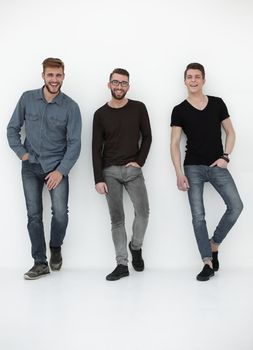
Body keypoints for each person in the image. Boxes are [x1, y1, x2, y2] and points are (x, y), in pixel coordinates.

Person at [7, 57, 82, 280]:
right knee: (33, 215)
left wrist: (61, 171)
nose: (54, 79)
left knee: (60, 214)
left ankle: (55, 247)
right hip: (30, 167)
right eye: (50, 75)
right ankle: (40, 262)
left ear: (63, 76)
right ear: (43, 76)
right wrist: (22, 153)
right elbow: (12, 129)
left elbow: (75, 143)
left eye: (58, 75)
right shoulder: (27, 99)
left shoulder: (71, 106)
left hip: (56, 167)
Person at [170, 62, 243, 281]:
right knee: (198, 217)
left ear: (203, 80)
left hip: (216, 165)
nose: (193, 80)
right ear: (185, 80)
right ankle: (207, 262)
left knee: (236, 206)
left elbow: (230, 132)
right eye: (189, 77)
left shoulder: (218, 104)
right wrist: (179, 173)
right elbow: (173, 143)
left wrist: (226, 157)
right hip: (192, 168)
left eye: (197, 77)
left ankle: (214, 244)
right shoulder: (179, 109)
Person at [92, 68, 152, 281]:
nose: (119, 86)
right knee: (117, 219)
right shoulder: (100, 114)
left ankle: (136, 246)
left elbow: (147, 137)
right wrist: (98, 178)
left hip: (133, 170)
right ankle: (121, 264)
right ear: (109, 84)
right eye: (115, 82)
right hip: (109, 172)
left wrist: (139, 162)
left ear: (128, 86)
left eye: (123, 83)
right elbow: (95, 148)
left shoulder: (138, 108)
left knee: (143, 213)